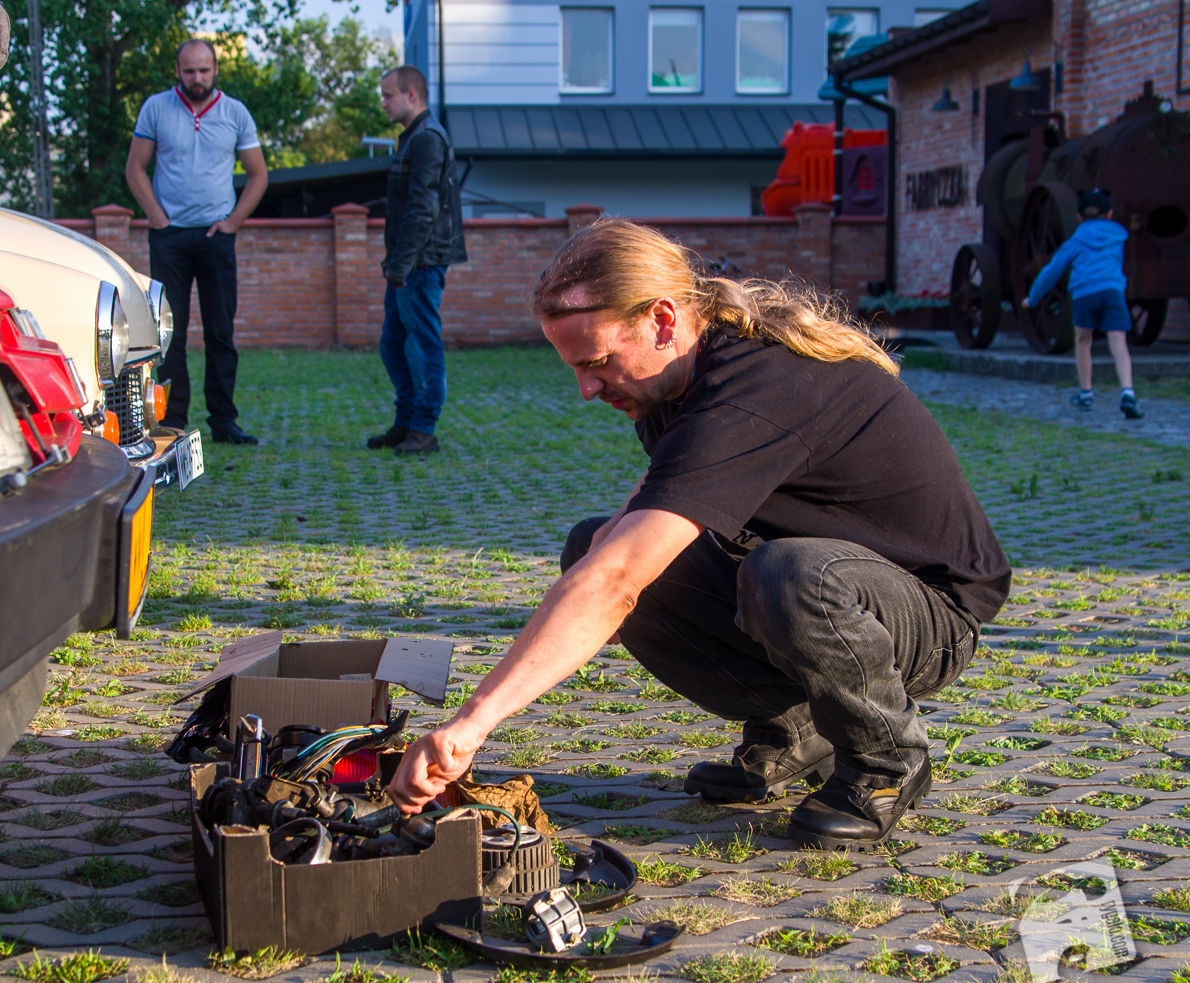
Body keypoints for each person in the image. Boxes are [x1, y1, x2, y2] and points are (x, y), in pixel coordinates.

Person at [389, 221, 1011, 852]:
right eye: (576, 369)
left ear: (663, 320)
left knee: (786, 577)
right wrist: (606, 576)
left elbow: (617, 582)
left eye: (598, 363)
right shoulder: (674, 384)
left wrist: (470, 725)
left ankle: (886, 759)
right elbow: (626, 543)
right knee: (594, 546)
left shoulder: (757, 385)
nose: (587, 389)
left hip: (928, 614)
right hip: (837, 588)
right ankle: (796, 728)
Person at [126, 38, 268, 445]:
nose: (197, 78)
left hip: (215, 237)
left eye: (204, 70)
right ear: (177, 70)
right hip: (169, 238)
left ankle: (223, 420)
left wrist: (233, 223)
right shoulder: (156, 107)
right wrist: (156, 217)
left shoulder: (235, 112)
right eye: (189, 70)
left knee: (220, 332)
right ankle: (172, 419)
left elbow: (258, 175)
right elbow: (135, 168)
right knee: (169, 334)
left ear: (216, 69)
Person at [366, 65, 467, 456]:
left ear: (411, 95)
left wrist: (402, 264)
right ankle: (407, 422)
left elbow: (423, 209)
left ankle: (423, 429)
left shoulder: (427, 138)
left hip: (420, 265)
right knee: (392, 345)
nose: (383, 103)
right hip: (406, 265)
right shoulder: (412, 138)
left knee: (423, 347)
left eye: (388, 95)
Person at [1024, 190, 1143, 419]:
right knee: (1119, 343)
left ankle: (1086, 393)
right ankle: (1128, 392)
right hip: (1113, 291)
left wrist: (1034, 298)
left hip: (1084, 294)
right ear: (1109, 214)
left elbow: (1052, 271)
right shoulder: (1118, 237)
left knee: (1083, 340)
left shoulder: (1075, 242)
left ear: (1079, 217)